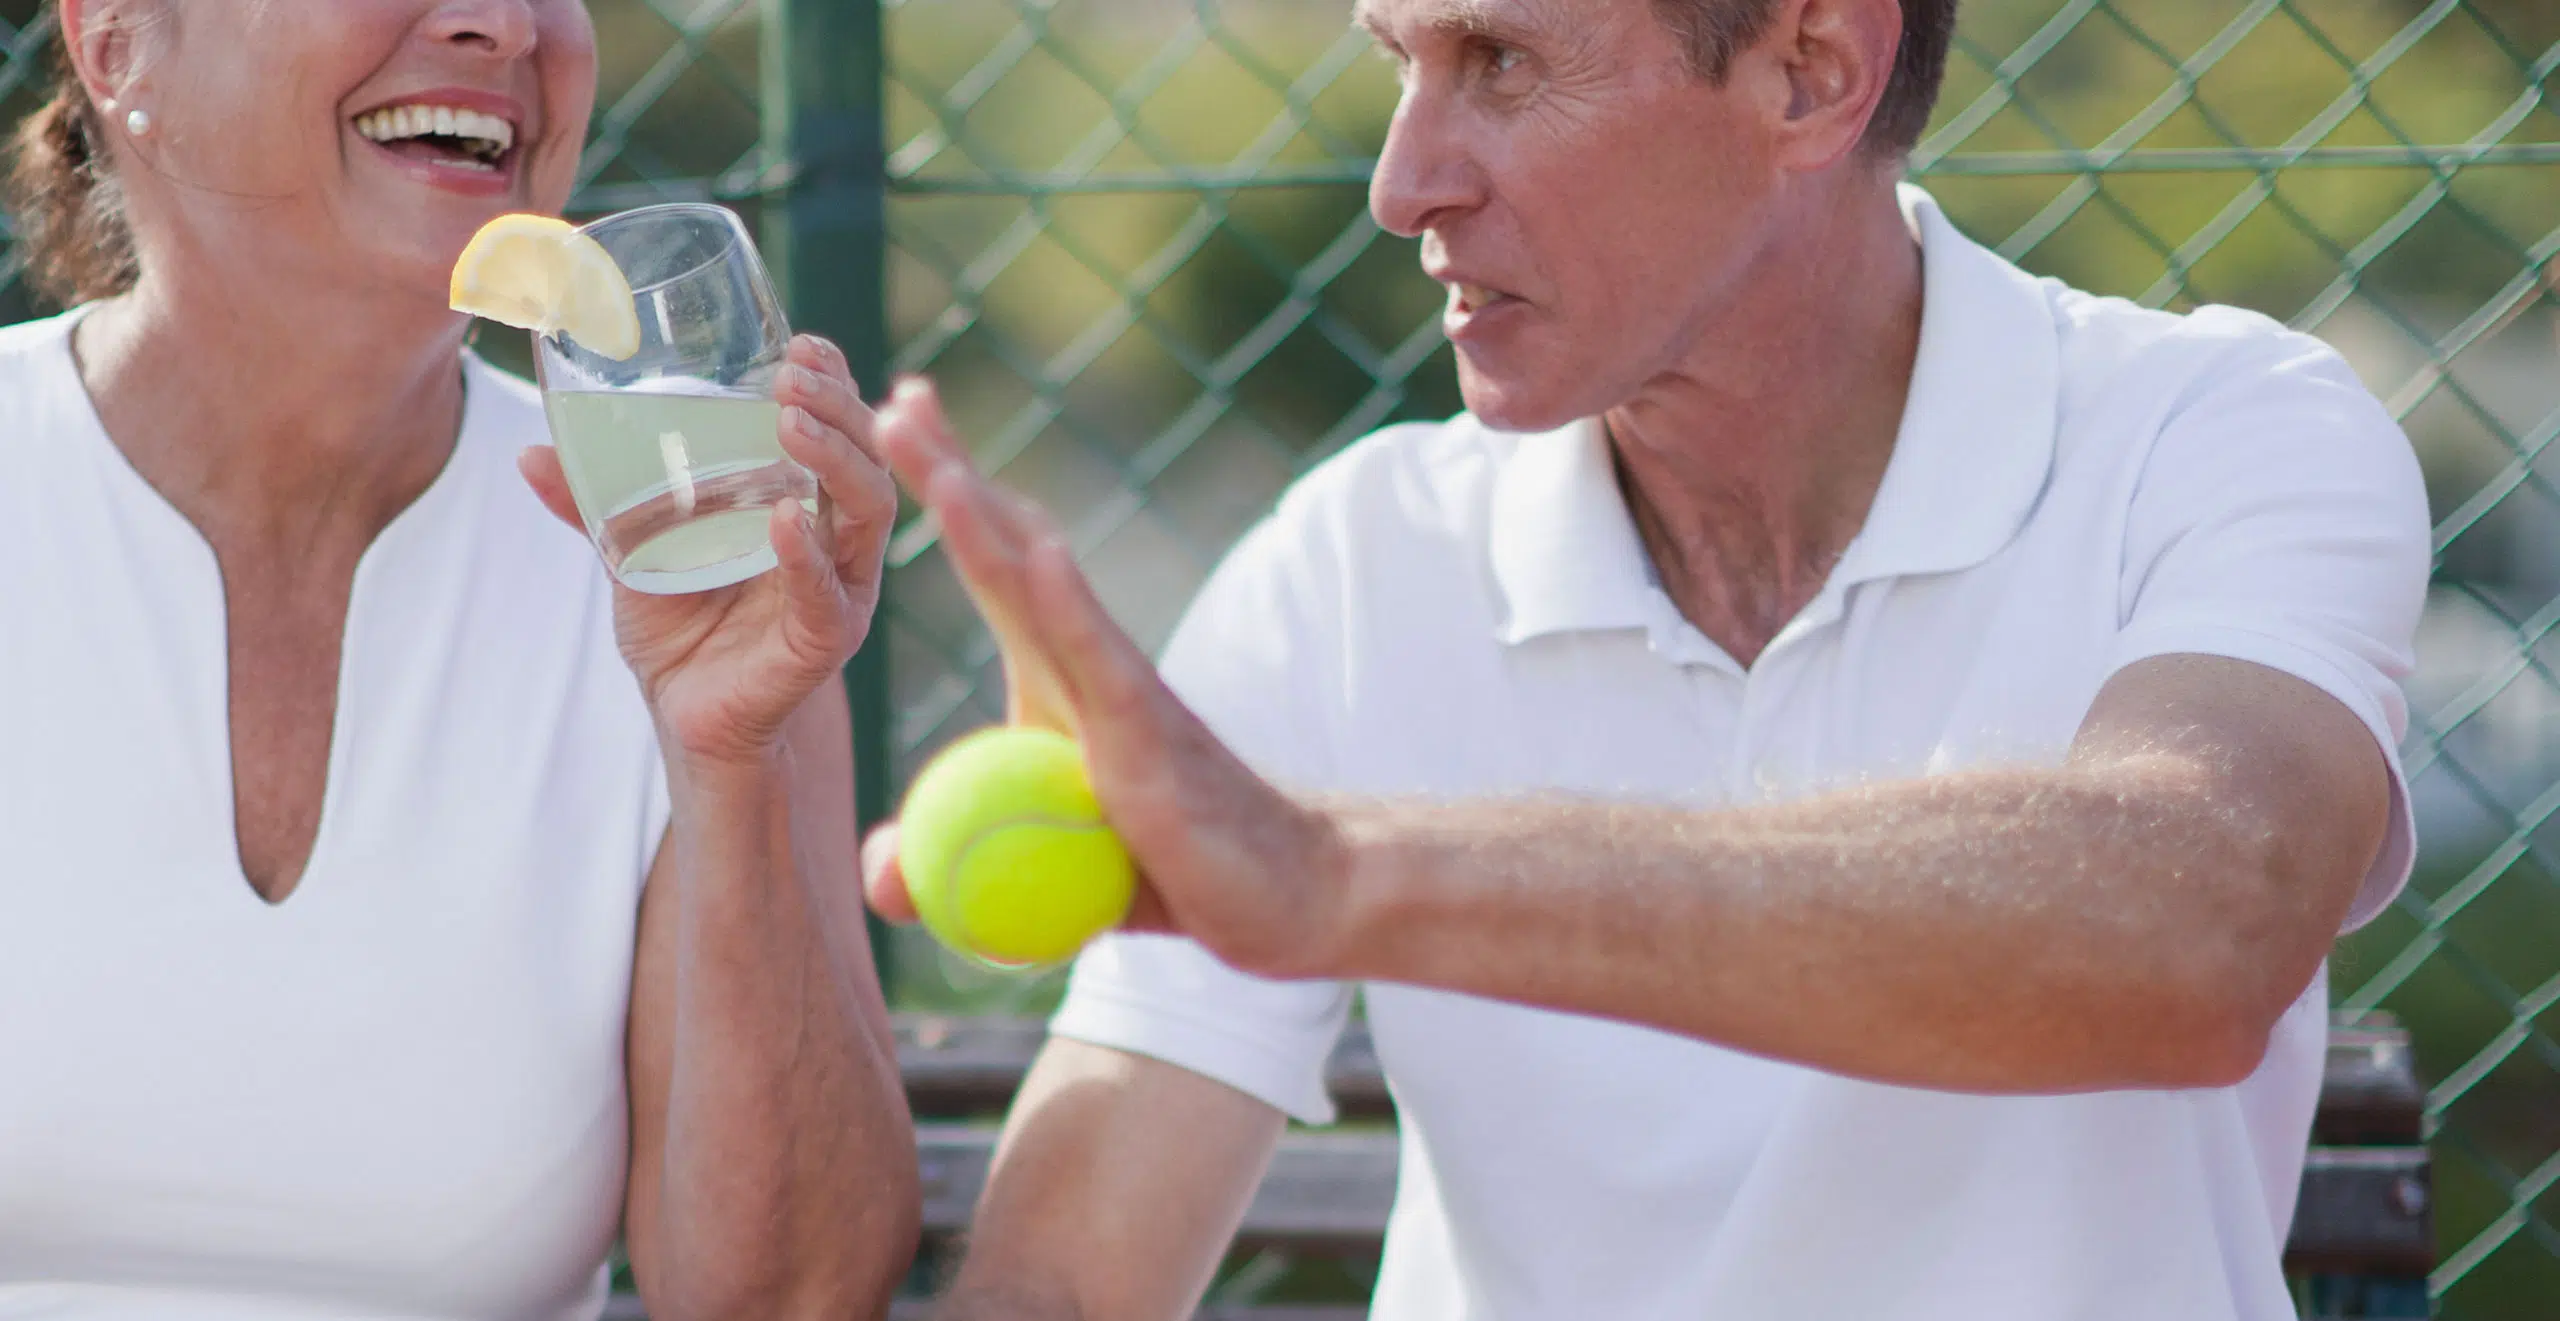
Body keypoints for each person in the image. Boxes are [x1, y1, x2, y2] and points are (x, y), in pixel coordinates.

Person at [857, 0, 2433, 1316]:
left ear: (1811, 71)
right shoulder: (1355, 559)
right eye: (1397, 63)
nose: (1402, 184)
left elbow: (2198, 922)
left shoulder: (2224, 434)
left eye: (1502, 64)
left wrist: (1343, 874)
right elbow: (1067, 1277)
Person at [0, 0, 917, 1318]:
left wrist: (730, 757)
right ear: (116, 44)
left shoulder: (689, 554)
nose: (500, 22)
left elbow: (791, 1302)